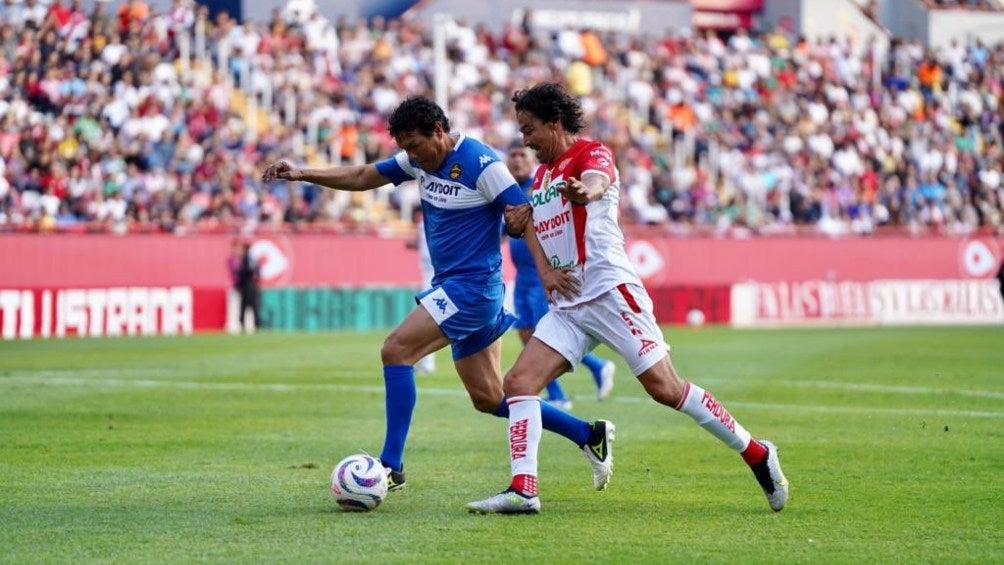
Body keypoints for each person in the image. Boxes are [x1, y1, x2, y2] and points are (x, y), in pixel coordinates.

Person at [261, 96, 613, 492]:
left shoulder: (482, 164)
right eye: (405, 148)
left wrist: (545, 270)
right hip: (458, 287)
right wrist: (302, 173)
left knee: (396, 350)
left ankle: (391, 465)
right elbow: (362, 176)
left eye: (415, 145)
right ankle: (588, 434)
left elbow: (523, 215)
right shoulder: (418, 160)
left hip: (473, 289)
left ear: (439, 131)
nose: (411, 156)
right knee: (489, 398)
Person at [467, 83, 788, 514]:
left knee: (665, 389)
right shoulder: (541, 177)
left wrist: (586, 192)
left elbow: (597, 183)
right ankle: (524, 490)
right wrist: (537, 256)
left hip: (610, 293)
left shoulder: (591, 153)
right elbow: (532, 229)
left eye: (530, 130)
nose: (525, 140)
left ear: (554, 123)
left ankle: (757, 452)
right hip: (569, 304)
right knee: (519, 383)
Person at [505, 143, 616, 409]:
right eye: (513, 155)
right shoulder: (509, 192)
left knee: (542, 334)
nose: (517, 160)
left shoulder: (540, 187)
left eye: (522, 154)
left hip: (542, 273)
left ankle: (592, 370)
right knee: (525, 331)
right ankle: (561, 391)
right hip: (522, 276)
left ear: (532, 159)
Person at [409, 206, 436, 375]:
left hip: (433, 275)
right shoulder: (433, 221)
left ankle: (427, 364)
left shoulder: (425, 222)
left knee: (425, 321)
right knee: (426, 321)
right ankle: (425, 362)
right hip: (431, 273)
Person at [228, 238, 261, 332]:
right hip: (243, 285)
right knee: (245, 305)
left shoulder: (247, 259)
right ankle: (244, 324)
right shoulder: (236, 259)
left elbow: (252, 271)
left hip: (248, 284)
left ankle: (254, 324)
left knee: (251, 305)